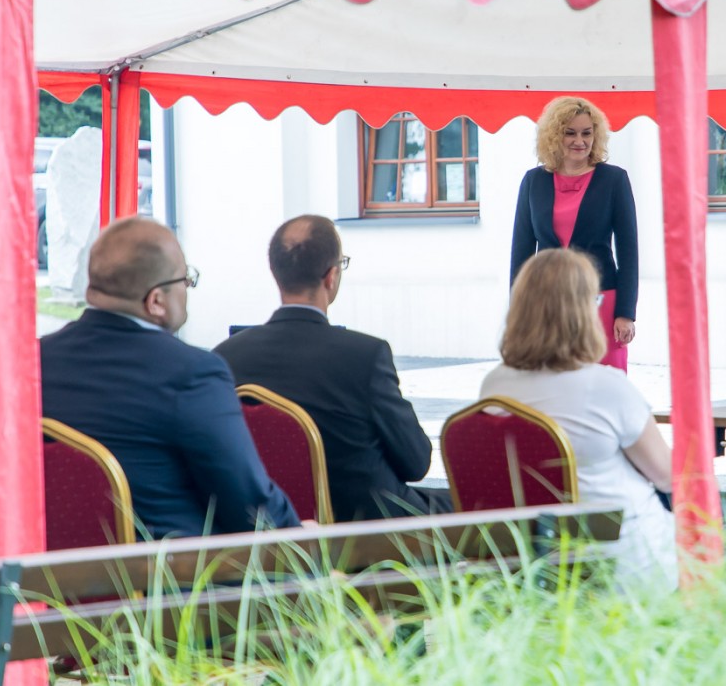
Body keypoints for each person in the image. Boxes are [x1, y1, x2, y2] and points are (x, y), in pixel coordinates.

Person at [41, 217, 301, 539]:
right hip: (172, 566)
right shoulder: (192, 373)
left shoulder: (35, 362)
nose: (188, 288)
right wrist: (304, 537)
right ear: (156, 301)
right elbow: (252, 510)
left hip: (50, 566)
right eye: (185, 279)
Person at [213, 214, 453, 522]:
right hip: (368, 527)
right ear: (331, 276)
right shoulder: (365, 356)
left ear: (276, 273)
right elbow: (416, 462)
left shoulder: (226, 357)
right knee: (476, 503)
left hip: (271, 522)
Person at [481, 249, 676, 588]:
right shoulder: (607, 387)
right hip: (624, 562)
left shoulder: (494, 386)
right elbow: (671, 478)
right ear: (582, 312)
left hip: (533, 561)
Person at [511, 96, 638, 372]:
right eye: (570, 133)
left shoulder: (614, 180)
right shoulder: (533, 182)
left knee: (606, 380)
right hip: (548, 301)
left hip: (602, 299)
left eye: (586, 133)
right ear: (554, 136)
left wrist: (626, 313)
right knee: (551, 379)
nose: (579, 141)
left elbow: (629, 252)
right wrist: (518, 311)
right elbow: (521, 253)